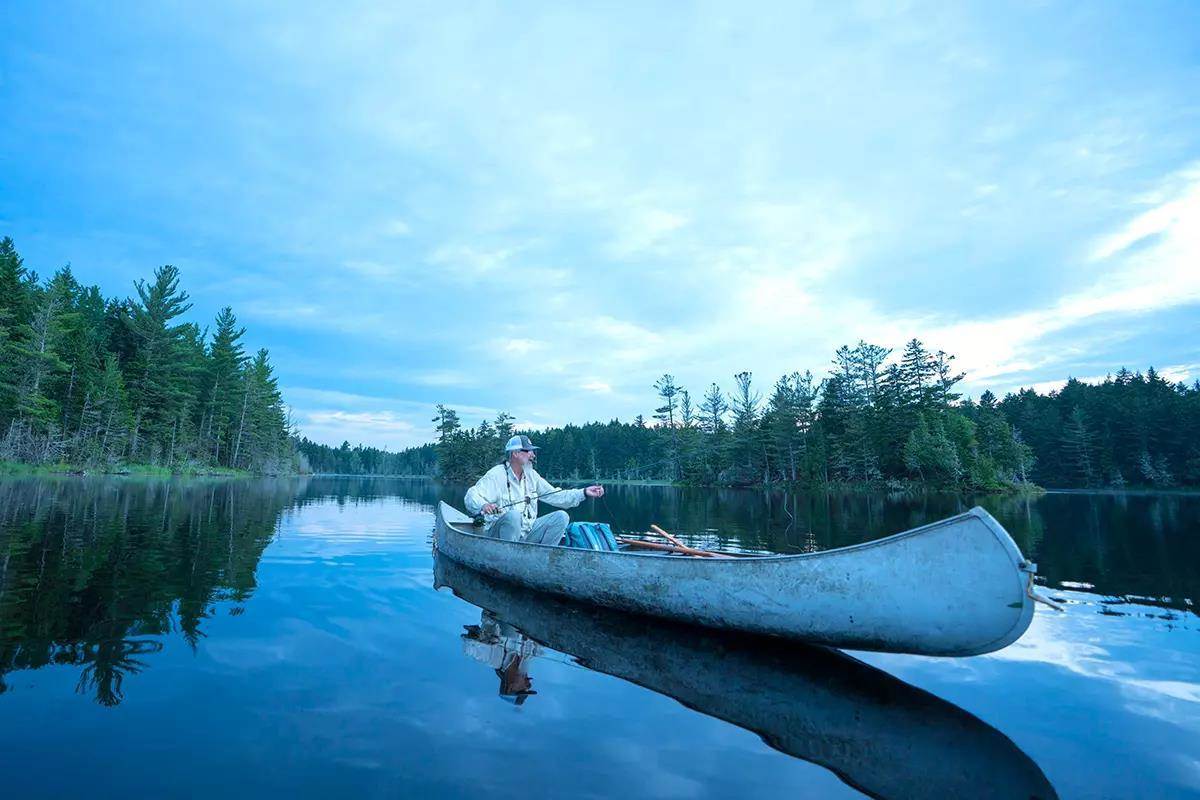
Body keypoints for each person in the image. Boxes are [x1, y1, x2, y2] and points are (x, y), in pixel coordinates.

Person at [464, 434, 604, 545]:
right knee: (513, 516)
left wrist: (584, 492)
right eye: (529, 451)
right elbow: (471, 495)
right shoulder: (496, 475)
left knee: (561, 517)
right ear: (515, 453)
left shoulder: (531, 475)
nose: (533, 455)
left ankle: (542, 558)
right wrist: (484, 505)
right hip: (499, 538)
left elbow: (556, 495)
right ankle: (509, 559)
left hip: (527, 533)